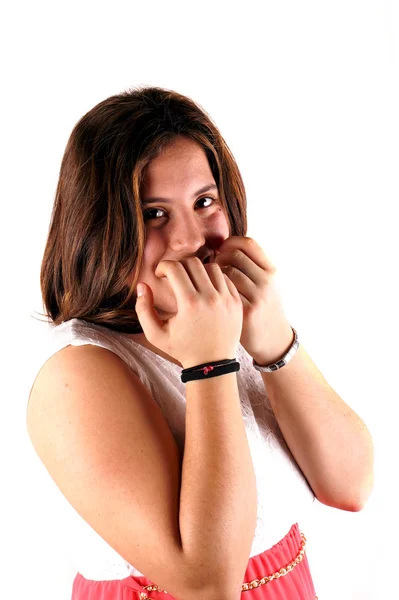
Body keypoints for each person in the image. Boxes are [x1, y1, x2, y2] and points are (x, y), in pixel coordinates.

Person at [26, 85, 374, 600]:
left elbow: (350, 487)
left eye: (204, 201)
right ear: (99, 227)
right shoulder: (77, 374)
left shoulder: (226, 321)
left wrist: (275, 344)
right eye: (153, 213)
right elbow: (208, 584)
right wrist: (209, 363)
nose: (192, 239)